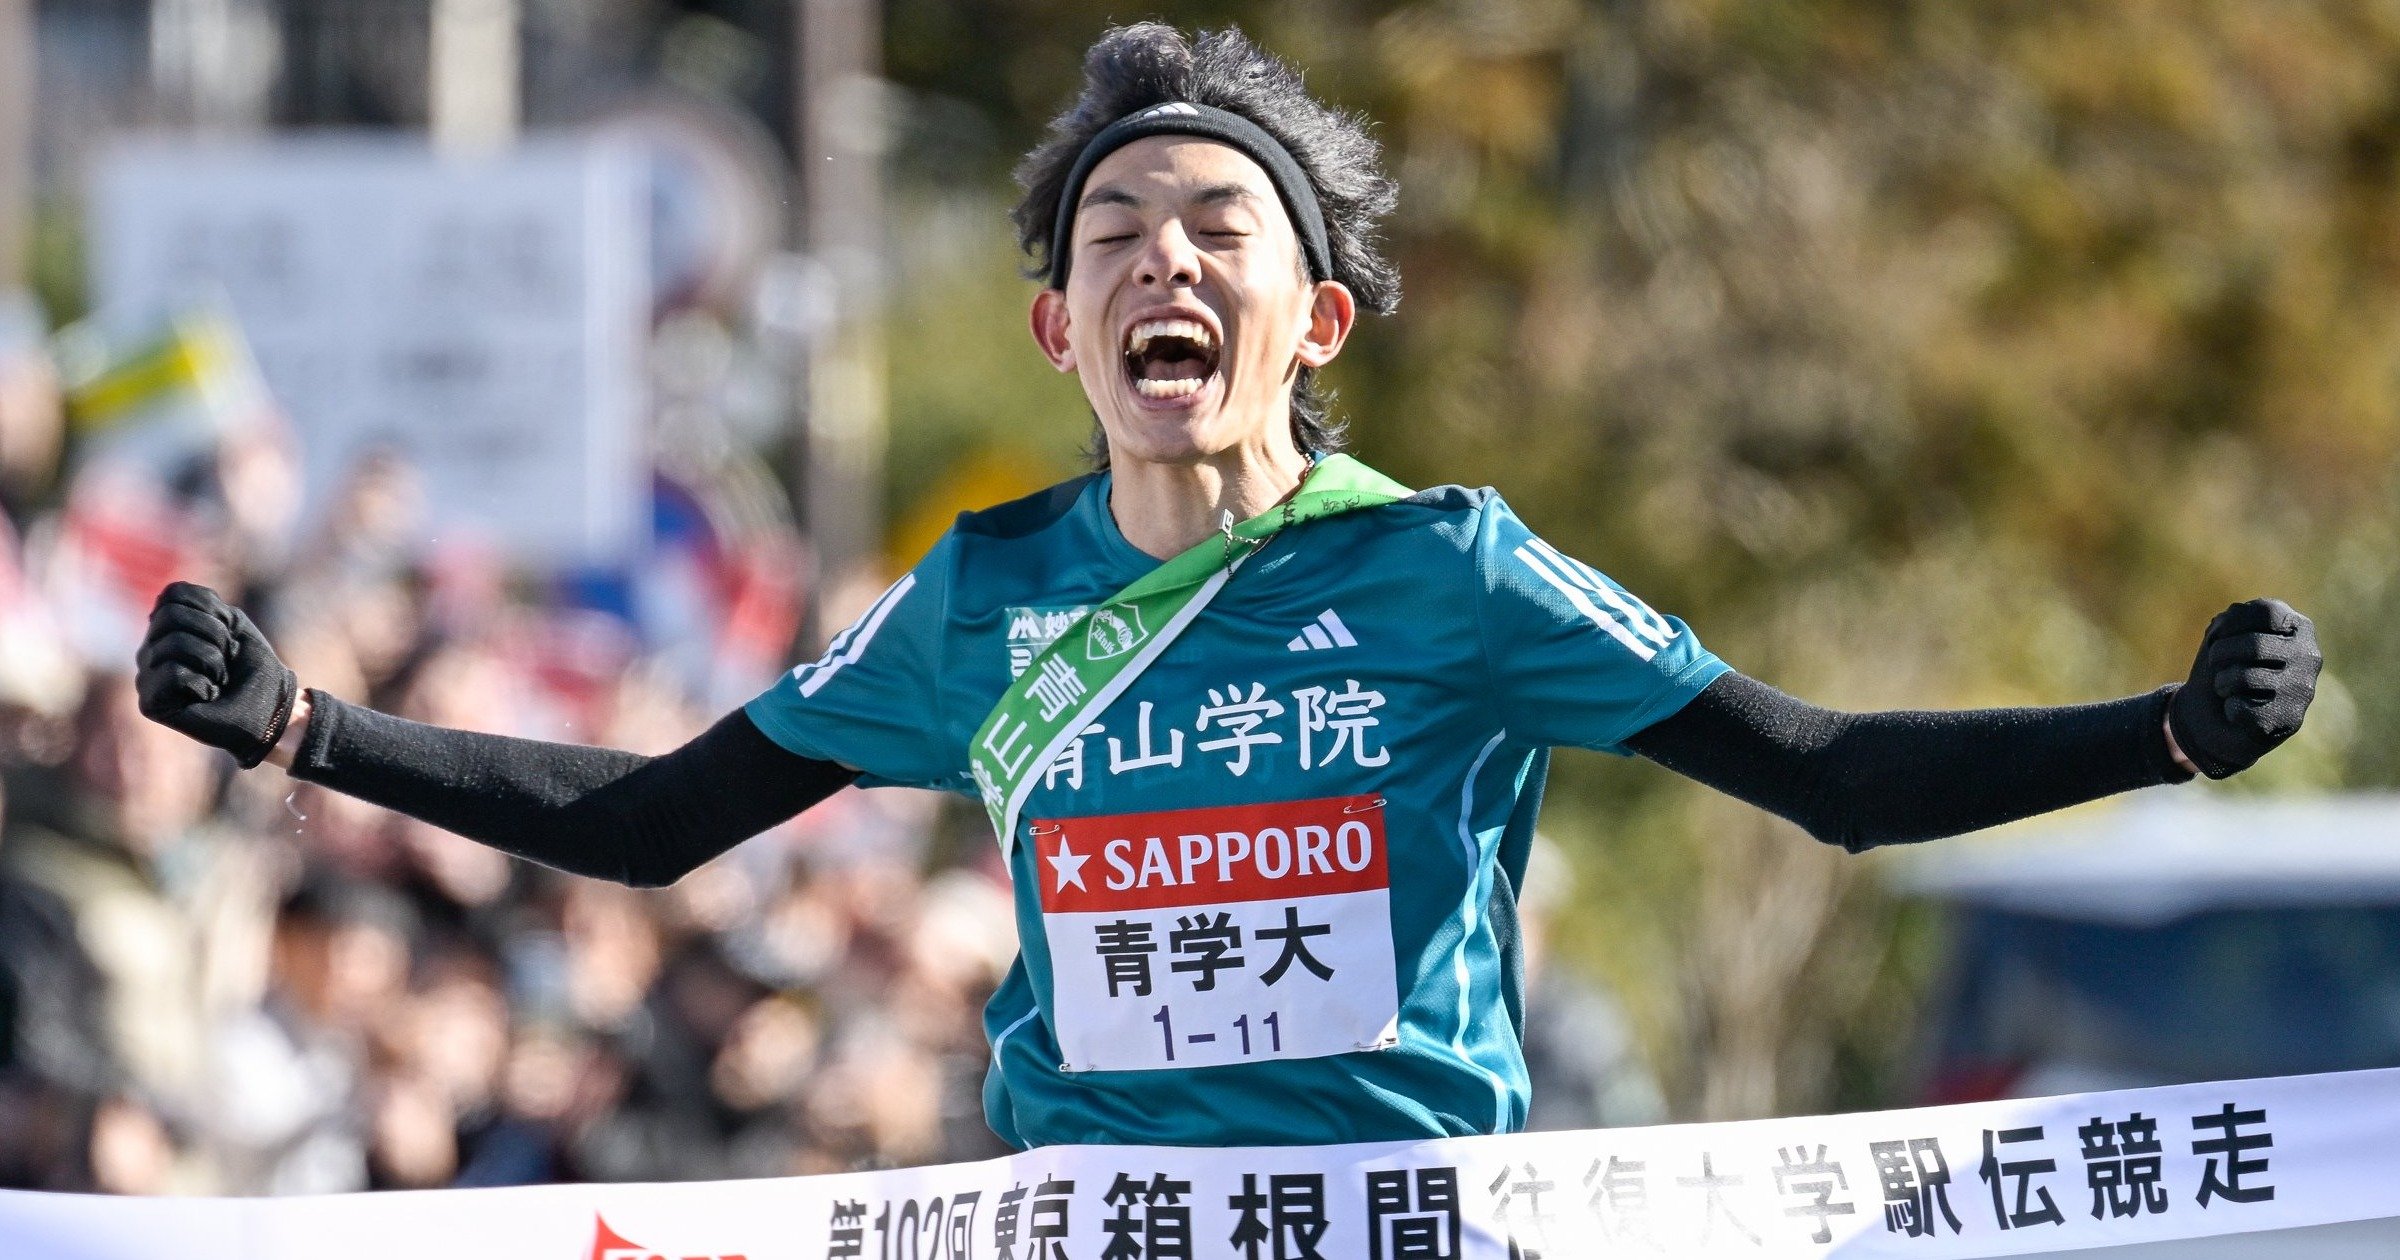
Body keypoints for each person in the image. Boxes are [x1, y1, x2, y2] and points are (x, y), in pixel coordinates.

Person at [133, 23, 2321, 1152]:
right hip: (1084, 1227)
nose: (1160, 259)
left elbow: (1823, 779)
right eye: (1112, 241)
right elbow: (647, 823)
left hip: (1400, 1233)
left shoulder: (1443, 569)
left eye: (1213, 228)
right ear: (1057, 337)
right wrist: (311, 733)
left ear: (1318, 320)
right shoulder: (976, 601)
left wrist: (2157, 737)